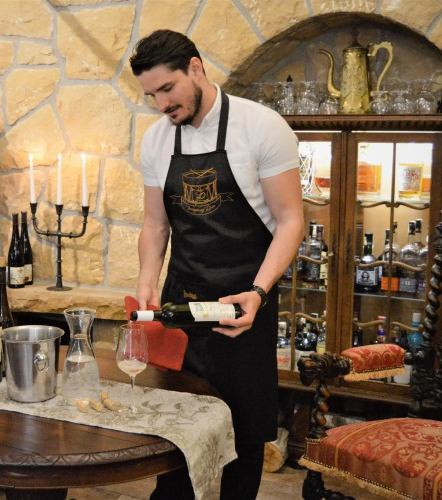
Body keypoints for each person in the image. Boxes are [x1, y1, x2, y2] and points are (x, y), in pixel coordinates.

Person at [129, 30, 304, 499]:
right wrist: (147, 279)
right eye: (151, 95)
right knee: (174, 434)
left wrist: (259, 292)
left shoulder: (261, 127)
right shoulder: (156, 140)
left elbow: (291, 221)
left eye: (168, 89)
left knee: (244, 441)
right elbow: (155, 224)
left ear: (196, 68)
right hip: (182, 307)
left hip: (245, 303)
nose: (161, 104)